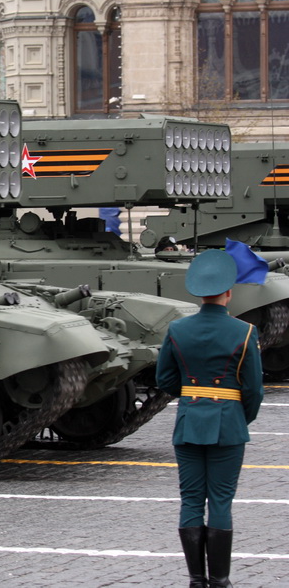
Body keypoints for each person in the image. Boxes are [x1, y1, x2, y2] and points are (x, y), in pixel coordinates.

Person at [156, 249, 264, 588]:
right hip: (228, 423)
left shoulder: (177, 328)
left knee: (190, 499)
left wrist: (193, 399)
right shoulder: (244, 332)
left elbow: (164, 380)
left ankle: (196, 579)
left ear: (198, 293)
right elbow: (254, 390)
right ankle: (220, 580)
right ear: (228, 292)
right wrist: (238, 417)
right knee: (220, 500)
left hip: (189, 420)